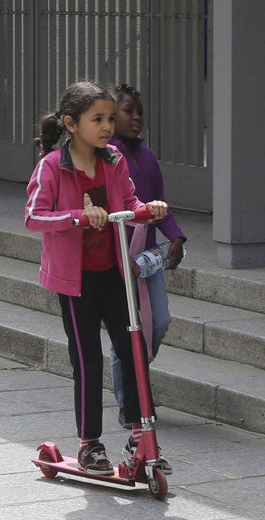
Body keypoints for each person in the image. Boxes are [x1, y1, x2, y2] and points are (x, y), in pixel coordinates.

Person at [25, 80, 168, 473]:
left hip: (114, 274)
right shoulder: (52, 167)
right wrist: (77, 217)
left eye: (109, 118)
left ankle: (143, 437)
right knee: (87, 359)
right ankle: (90, 443)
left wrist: (147, 208)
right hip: (76, 282)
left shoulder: (113, 161)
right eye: (97, 119)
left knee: (132, 350)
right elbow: (33, 217)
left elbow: (129, 202)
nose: (107, 127)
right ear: (71, 123)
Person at [110, 83, 186, 422]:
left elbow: (159, 206)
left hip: (147, 255)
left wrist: (176, 238)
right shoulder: (108, 155)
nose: (137, 117)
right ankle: (131, 401)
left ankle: (138, 376)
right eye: (129, 111)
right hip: (118, 252)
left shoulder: (148, 156)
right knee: (127, 329)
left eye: (140, 111)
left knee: (159, 321)